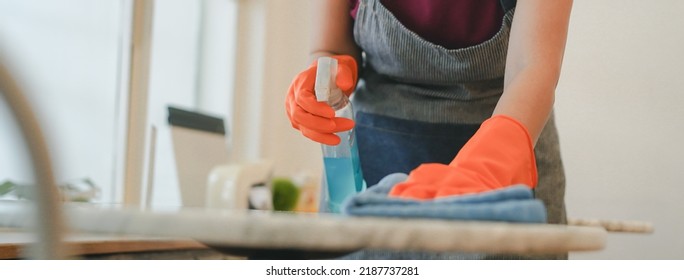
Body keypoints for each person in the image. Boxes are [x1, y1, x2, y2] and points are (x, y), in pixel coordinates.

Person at [285, 0, 573, 259]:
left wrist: (484, 167)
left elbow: (531, 66)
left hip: (508, 143)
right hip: (374, 159)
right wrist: (328, 75)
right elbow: (333, 46)